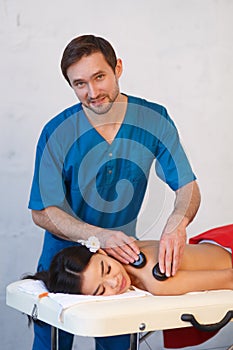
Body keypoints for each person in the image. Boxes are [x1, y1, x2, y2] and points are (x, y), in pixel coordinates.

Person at [28, 34, 201, 349]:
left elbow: (187, 186)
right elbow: (42, 210)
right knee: (51, 342)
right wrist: (97, 235)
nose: (92, 93)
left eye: (99, 77)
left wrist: (178, 222)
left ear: (117, 68)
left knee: (118, 341)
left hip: (120, 258)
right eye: (79, 84)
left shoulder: (154, 120)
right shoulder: (56, 132)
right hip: (64, 258)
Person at [25, 225, 233, 297]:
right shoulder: (125, 251)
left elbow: (229, 279)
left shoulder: (157, 279)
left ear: (102, 252)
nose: (114, 282)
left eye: (106, 269)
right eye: (101, 291)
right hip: (217, 241)